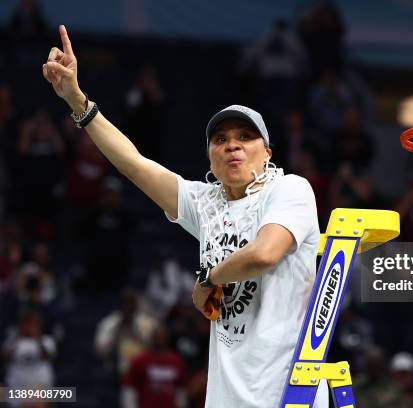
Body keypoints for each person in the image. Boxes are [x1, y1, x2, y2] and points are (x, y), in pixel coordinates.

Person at [42, 25, 326, 407]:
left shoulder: (290, 189)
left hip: (288, 395)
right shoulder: (204, 202)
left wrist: (208, 279)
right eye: (221, 140)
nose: (233, 146)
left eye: (245, 137)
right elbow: (133, 164)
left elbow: (264, 254)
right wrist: (78, 101)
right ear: (210, 155)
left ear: (267, 152)